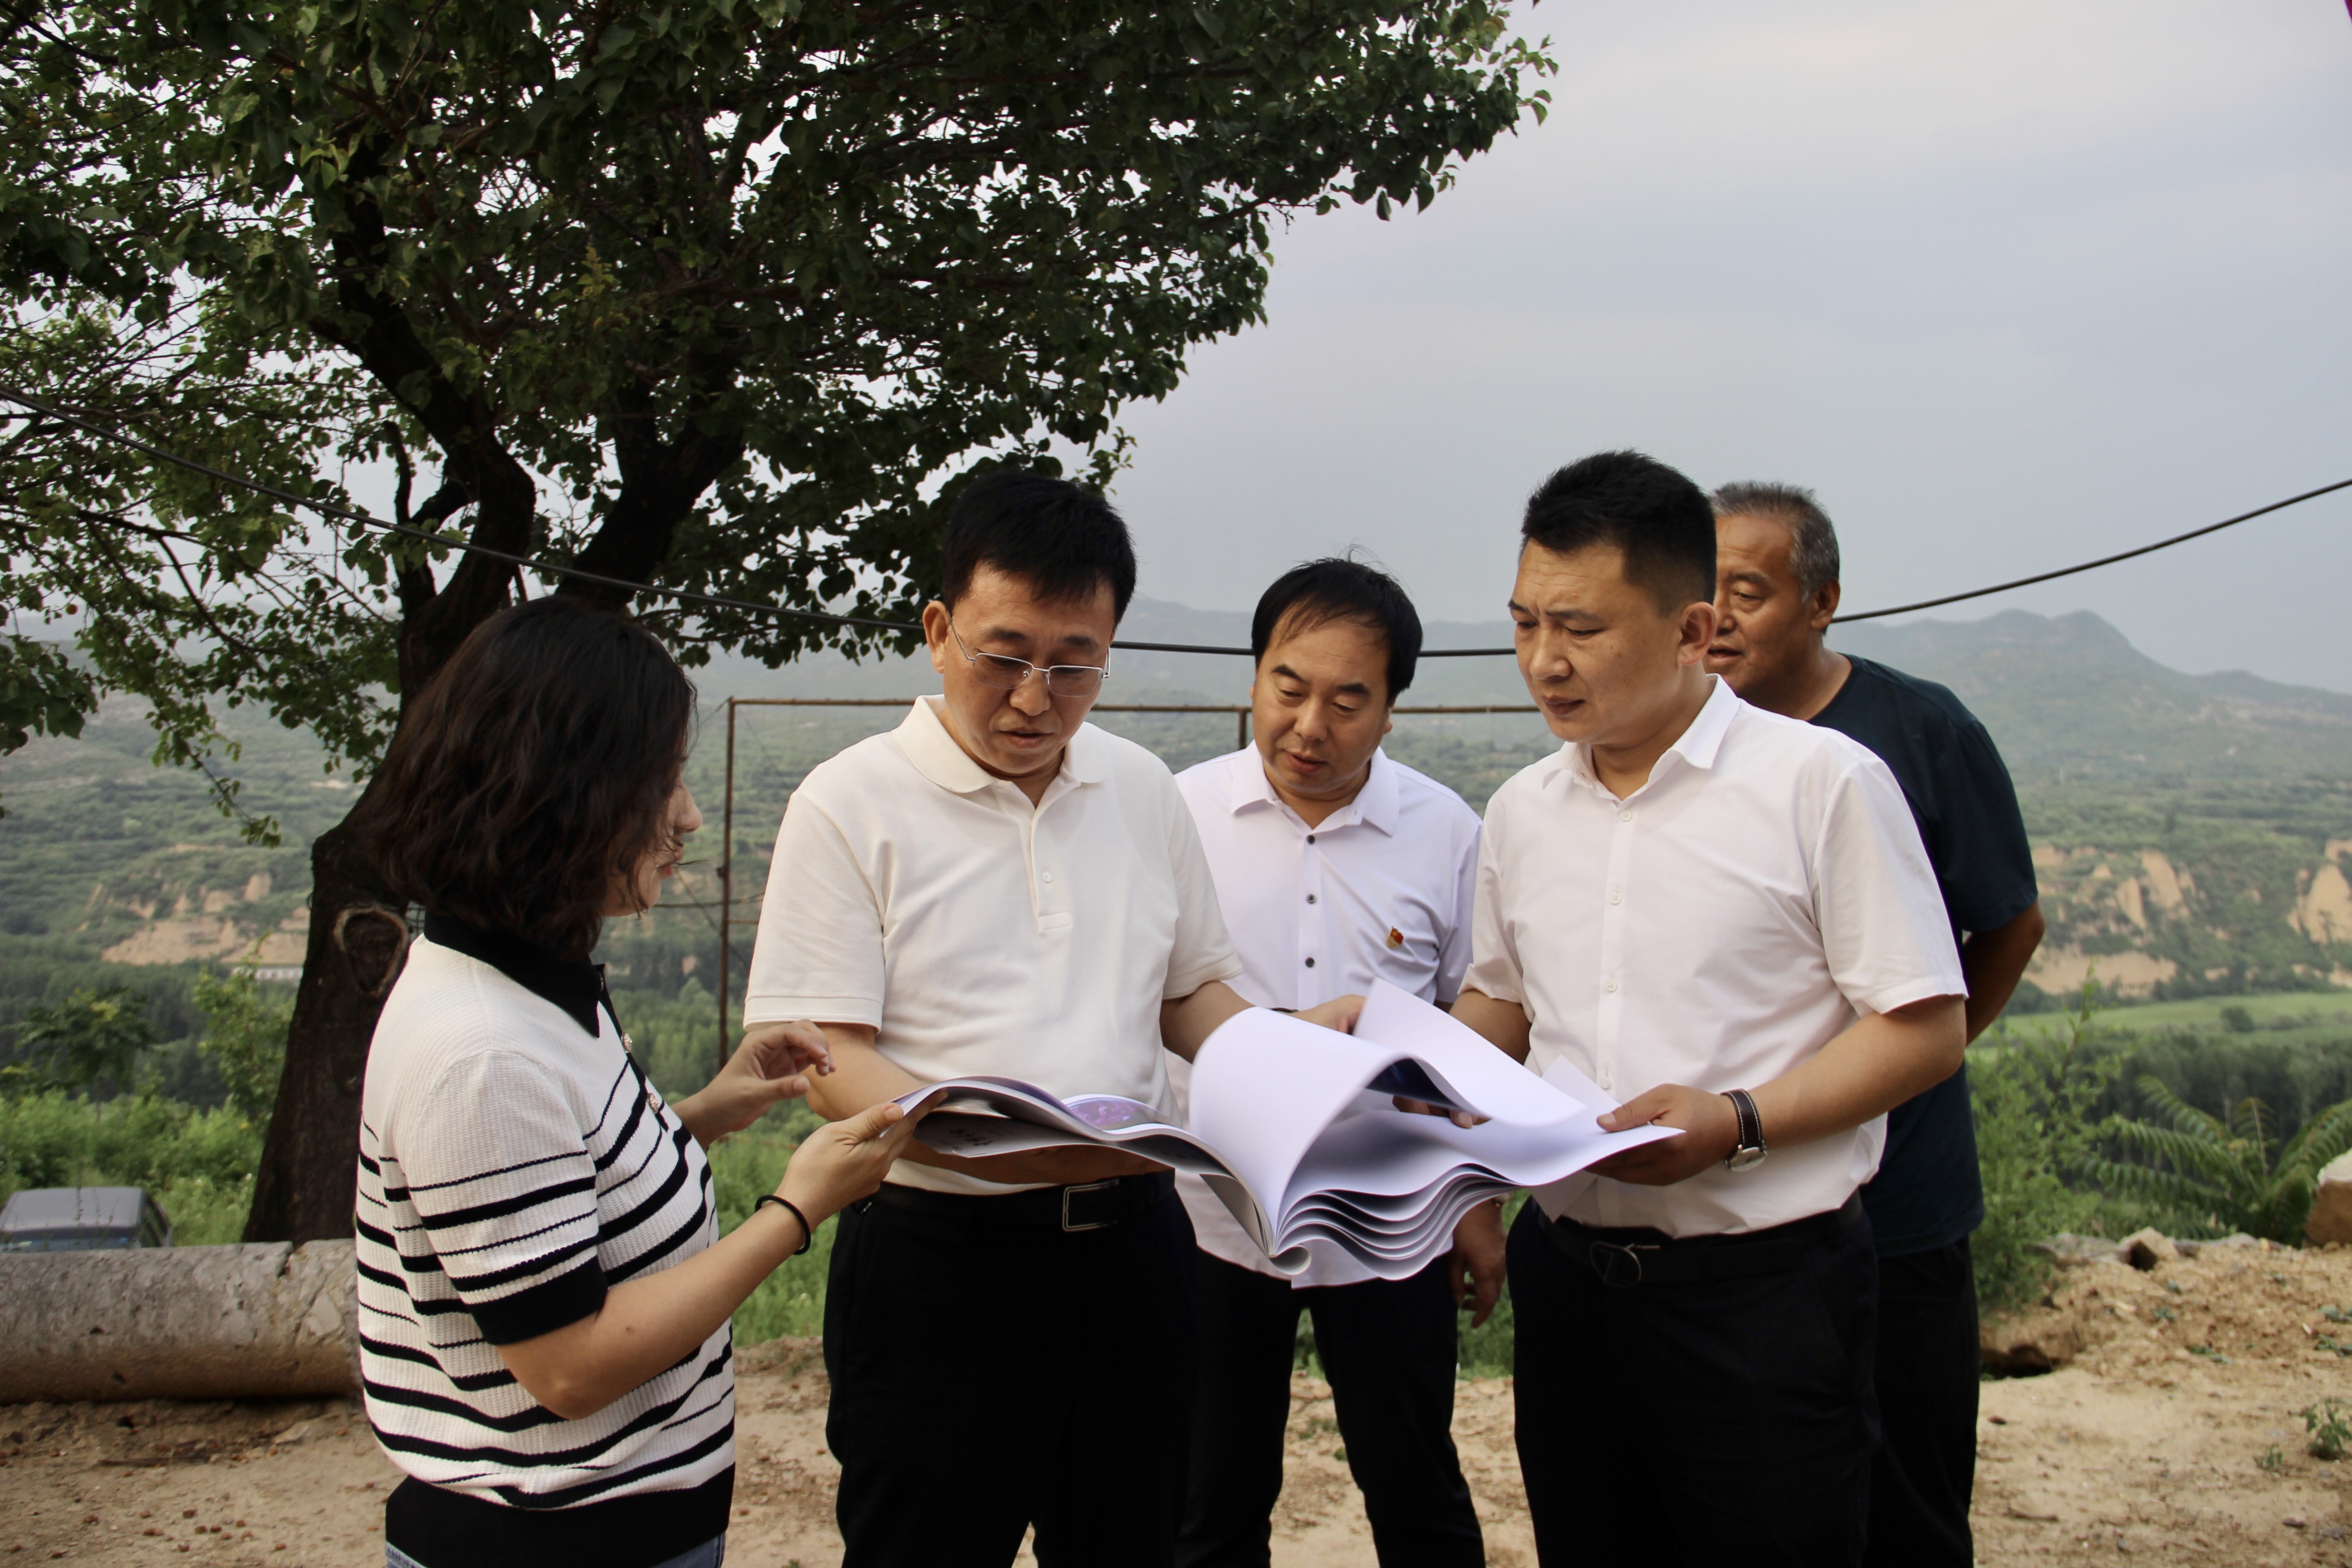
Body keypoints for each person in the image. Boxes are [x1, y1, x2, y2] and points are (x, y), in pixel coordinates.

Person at [736, 472, 1358, 1567]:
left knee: (1134, 1539)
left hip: (1136, 1251)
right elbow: (830, 1062)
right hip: (941, 1262)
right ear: (939, 632)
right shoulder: (848, 803)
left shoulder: (1140, 788)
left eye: (1075, 665)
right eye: (1006, 656)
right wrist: (1022, 1146)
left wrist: (1289, 1051)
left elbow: (1190, 994)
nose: (1036, 697)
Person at [1437, 450, 1970, 1567]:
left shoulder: (1820, 784)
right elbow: (1505, 1000)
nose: (1543, 661)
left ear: (1690, 631)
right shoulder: (1525, 809)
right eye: (1525, 623)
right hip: (1571, 1283)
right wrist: (1408, 1067)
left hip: (1762, 1296)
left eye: (1581, 629)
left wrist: (1738, 1121)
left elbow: (1925, 1028)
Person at [350, 597, 925, 1568]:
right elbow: (570, 1366)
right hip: (553, 1541)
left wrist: (705, 1112)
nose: (687, 815)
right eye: (660, 785)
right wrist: (797, 1208)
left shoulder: (532, 978)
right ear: (557, 795)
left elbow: (559, 1198)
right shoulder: (483, 1053)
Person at [1706, 480, 2044, 1568]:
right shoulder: (1680, 740)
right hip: (1740, 1207)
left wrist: (1914, 1060)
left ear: (1822, 602)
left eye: (1748, 591)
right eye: (1702, 588)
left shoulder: (1918, 732)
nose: (1716, 616)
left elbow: (2010, 923)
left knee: (1908, 1498)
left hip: (1899, 1200)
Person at [1169, 558, 1494, 1568]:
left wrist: (1477, 1207)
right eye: (1289, 688)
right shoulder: (1175, 817)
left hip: (1390, 1216)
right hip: (1209, 1211)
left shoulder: (1448, 833)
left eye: (1348, 702)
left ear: (1391, 708)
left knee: (1415, 1484)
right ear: (1255, 677)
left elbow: (1475, 1028)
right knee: (1208, 1498)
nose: (1310, 726)